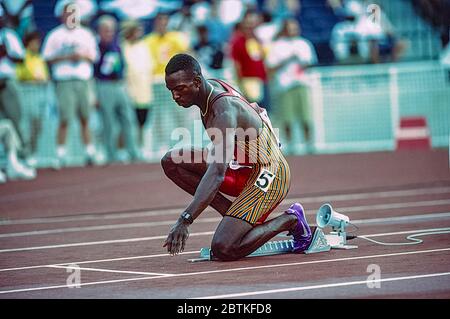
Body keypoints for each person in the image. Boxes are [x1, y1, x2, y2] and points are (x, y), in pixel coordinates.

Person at [161, 53, 312, 261]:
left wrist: (185, 220)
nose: (175, 97)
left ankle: (291, 219)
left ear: (196, 82)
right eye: (171, 90)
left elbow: (217, 173)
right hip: (243, 166)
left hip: (270, 173)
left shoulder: (223, 110)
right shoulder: (209, 88)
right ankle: (238, 216)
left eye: (179, 89)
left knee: (224, 248)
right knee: (172, 162)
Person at [42, 1, 99, 166]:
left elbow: (93, 56)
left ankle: (90, 152)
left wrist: (81, 56)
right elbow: (47, 57)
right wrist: (66, 57)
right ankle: (60, 154)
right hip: (64, 80)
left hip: (82, 79)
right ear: (62, 15)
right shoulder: (55, 35)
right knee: (64, 117)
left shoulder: (86, 34)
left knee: (85, 117)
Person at [266, 18, 318, 154]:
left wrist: (301, 63)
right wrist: (287, 59)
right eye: (290, 28)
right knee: (287, 117)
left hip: (302, 83)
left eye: (295, 28)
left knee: (306, 115)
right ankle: (290, 144)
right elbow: (270, 67)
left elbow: (311, 62)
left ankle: (309, 144)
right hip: (285, 85)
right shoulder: (277, 46)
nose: (293, 31)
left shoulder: (304, 44)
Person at [94, 15, 140, 163]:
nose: (109, 33)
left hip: (119, 85)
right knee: (108, 122)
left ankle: (133, 152)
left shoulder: (117, 45)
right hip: (104, 85)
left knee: (128, 118)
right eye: (106, 30)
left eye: (111, 30)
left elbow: (122, 65)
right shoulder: (96, 47)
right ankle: (111, 155)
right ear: (100, 31)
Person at [16, 31, 50, 167]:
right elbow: (18, 74)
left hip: (39, 95)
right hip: (26, 93)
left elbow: (45, 74)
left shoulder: (39, 58)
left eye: (38, 42)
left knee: (37, 125)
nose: (37, 45)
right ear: (28, 43)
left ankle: (33, 153)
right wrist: (31, 78)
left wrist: (44, 79)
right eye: (34, 42)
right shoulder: (22, 57)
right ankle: (24, 154)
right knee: (25, 126)